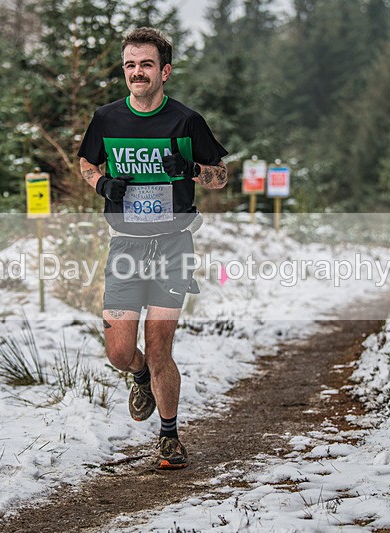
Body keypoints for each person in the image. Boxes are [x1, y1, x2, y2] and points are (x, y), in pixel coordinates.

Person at [77, 27, 228, 469]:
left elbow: (220, 176)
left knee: (160, 346)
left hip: (173, 246)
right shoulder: (106, 118)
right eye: (130, 64)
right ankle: (139, 375)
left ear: (165, 71)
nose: (137, 72)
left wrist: (192, 169)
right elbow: (86, 161)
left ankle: (169, 437)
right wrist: (101, 183)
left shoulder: (186, 121)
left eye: (146, 64)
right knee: (119, 353)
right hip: (125, 246)